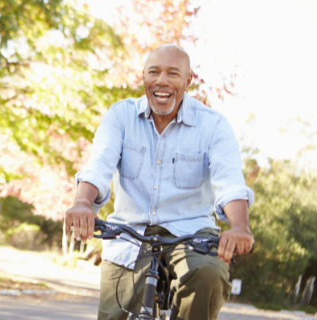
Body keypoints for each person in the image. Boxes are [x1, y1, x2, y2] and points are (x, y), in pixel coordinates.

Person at [64, 44, 255, 320]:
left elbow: (231, 183)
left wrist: (239, 226)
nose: (162, 81)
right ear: (143, 76)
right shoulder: (120, 116)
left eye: (173, 73)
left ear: (188, 80)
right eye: (153, 72)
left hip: (192, 233)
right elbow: (98, 165)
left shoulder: (213, 125)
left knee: (209, 276)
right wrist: (82, 203)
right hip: (130, 231)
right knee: (114, 314)